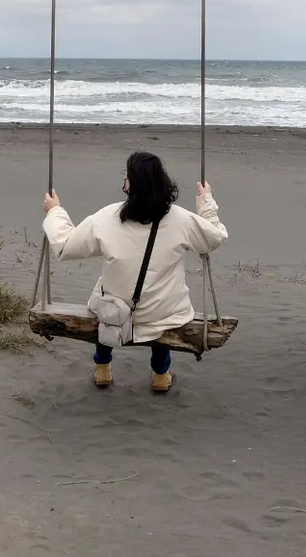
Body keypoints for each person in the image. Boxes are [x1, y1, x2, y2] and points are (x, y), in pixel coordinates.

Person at [42, 150, 228, 393]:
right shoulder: (182, 220)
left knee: (109, 306)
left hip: (115, 312)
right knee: (160, 312)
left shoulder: (107, 218)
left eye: (126, 176)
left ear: (131, 183)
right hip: (164, 312)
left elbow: (66, 246)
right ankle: (161, 376)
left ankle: (102, 370)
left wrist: (55, 211)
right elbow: (213, 239)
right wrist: (206, 202)